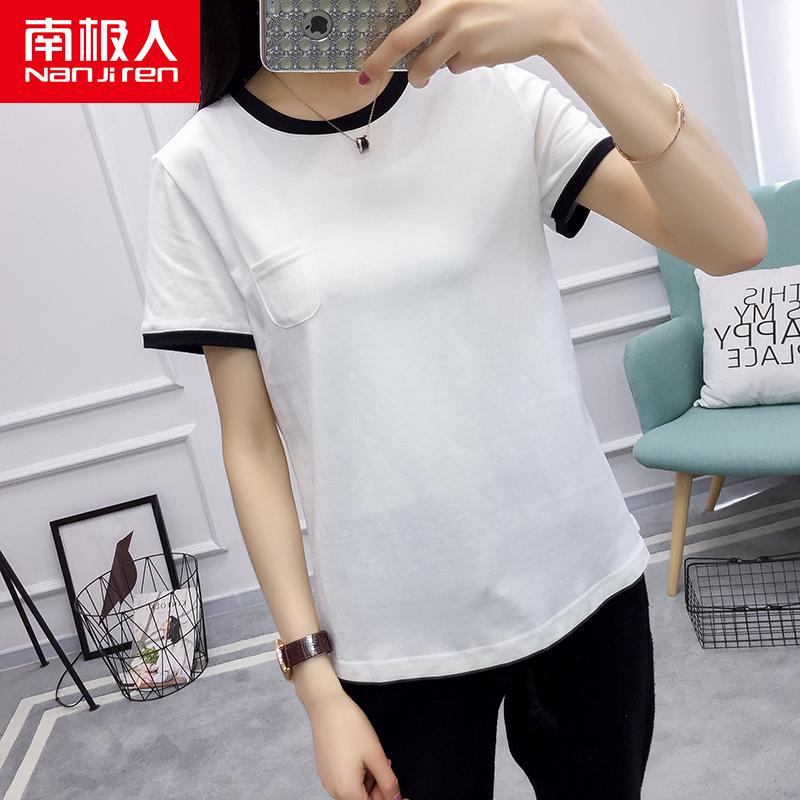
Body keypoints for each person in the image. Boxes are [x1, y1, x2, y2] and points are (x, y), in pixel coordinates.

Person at [139, 0, 767, 797]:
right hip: (396, 636)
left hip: (583, 585)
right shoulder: (201, 168)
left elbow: (733, 241)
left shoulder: (493, 94)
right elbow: (251, 443)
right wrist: (315, 682)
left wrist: (576, 31)